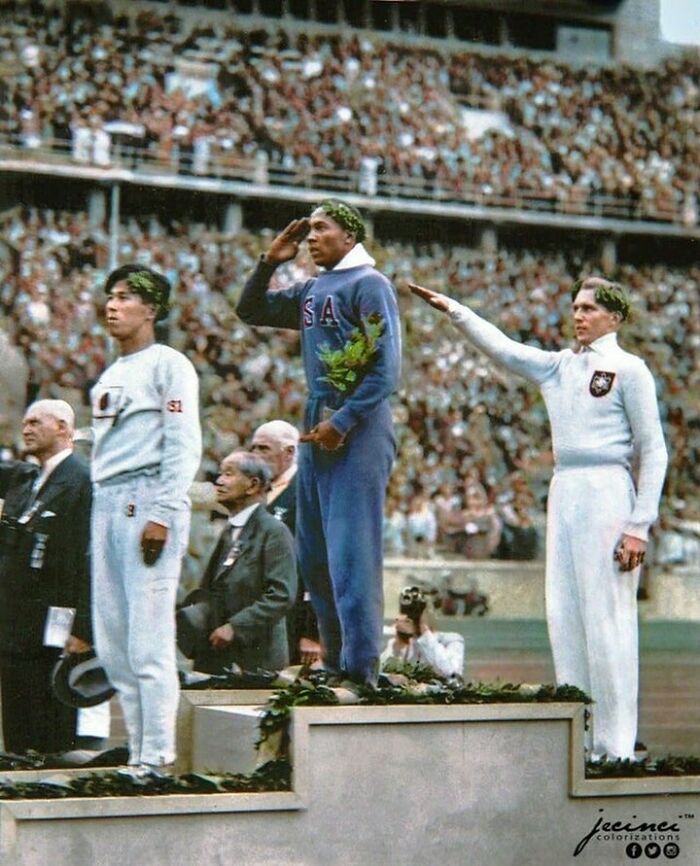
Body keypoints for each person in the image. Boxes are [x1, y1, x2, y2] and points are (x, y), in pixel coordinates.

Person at [410, 275, 668, 762]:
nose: (579, 315)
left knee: (607, 618)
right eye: (575, 307)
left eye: (590, 308)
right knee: (565, 614)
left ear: (614, 317)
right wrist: (455, 310)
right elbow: (504, 348)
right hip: (565, 487)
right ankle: (580, 737)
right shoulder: (558, 367)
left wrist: (639, 525)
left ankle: (615, 748)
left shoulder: (630, 370)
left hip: (607, 488)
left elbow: (654, 451)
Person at [237, 199, 401, 687]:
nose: (311, 236)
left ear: (350, 237)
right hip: (318, 417)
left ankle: (363, 668)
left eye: (321, 228)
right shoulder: (313, 288)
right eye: (308, 229)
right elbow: (251, 310)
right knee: (315, 553)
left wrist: (345, 420)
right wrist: (269, 262)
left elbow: (386, 368)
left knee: (352, 550)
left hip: (359, 422)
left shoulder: (369, 284)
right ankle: (334, 660)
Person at [90, 264, 202, 778]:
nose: (112, 306)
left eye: (125, 298)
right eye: (110, 297)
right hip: (107, 500)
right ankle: (137, 752)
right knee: (113, 641)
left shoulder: (169, 365)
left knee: (148, 638)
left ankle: (157, 756)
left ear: (151, 309)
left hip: (146, 499)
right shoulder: (110, 375)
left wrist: (161, 511)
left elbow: (183, 443)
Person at [0, 400, 93, 755]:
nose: (27, 428)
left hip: (56, 620)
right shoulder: (25, 478)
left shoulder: (81, 480)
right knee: (17, 725)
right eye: (24, 422)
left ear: (64, 429)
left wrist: (83, 627)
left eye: (37, 422)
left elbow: (87, 559)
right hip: (15, 620)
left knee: (51, 722)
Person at [178, 451, 297, 674]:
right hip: (218, 656)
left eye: (229, 474)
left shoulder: (274, 532)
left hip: (256, 662)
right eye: (221, 473)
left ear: (252, 485)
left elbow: (281, 595)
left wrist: (236, 627)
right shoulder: (230, 531)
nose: (219, 481)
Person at [250, 420, 321, 667]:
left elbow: (318, 560)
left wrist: (312, 631)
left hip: (292, 615)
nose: (256, 456)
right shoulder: (257, 491)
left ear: (289, 452)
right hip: (257, 614)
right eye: (254, 449)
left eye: (264, 449)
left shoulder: (307, 491)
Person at [381, 587, 465, 680]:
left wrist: (424, 632)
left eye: (422, 610)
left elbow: (450, 673)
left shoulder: (452, 640)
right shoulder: (400, 642)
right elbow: (379, 672)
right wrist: (398, 644)